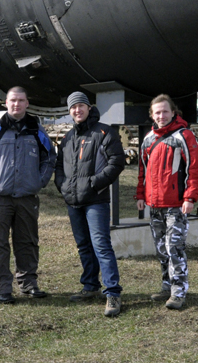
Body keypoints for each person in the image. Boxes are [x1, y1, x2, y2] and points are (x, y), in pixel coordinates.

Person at [0, 86, 56, 304]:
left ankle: (28, 283)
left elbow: (49, 158)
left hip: (27, 197)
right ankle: (3, 287)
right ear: (6, 103)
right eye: (12, 100)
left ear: (27, 103)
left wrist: (39, 181)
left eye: (21, 100)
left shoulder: (37, 130)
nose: (16, 104)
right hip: (0, 198)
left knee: (27, 241)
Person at [54, 91, 126, 317]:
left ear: (88, 107)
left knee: (101, 246)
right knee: (84, 246)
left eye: (81, 106)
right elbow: (58, 167)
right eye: (73, 107)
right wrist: (63, 186)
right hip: (73, 201)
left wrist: (94, 184)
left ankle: (112, 292)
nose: (77, 110)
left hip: (96, 200)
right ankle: (90, 285)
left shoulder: (104, 132)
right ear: (70, 111)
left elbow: (117, 162)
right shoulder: (68, 138)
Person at [135, 94, 198, 310]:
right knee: (161, 249)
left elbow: (195, 169)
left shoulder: (184, 136)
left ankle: (178, 291)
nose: (161, 116)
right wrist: (140, 196)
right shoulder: (148, 139)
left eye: (165, 111)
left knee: (174, 247)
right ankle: (167, 286)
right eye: (157, 112)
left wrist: (190, 198)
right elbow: (142, 172)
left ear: (173, 112)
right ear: (152, 115)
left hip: (176, 205)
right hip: (154, 206)